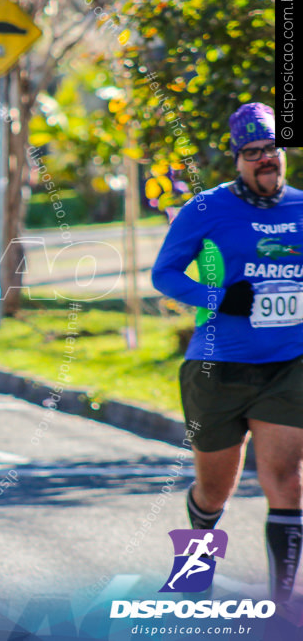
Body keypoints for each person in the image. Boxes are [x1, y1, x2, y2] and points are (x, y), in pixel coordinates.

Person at [152, 102, 303, 606]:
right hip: (217, 365)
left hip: (289, 363)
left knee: (285, 479)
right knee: (215, 491)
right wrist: (218, 298)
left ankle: (284, 608)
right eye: (253, 151)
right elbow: (165, 274)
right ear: (237, 159)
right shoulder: (207, 209)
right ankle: (195, 576)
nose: (266, 159)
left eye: (272, 150)